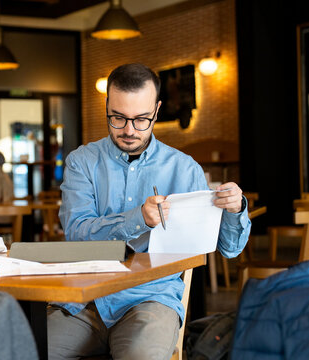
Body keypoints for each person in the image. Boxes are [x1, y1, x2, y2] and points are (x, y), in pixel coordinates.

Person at [49, 63, 252, 360]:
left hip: (151, 299)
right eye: (118, 118)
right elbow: (77, 236)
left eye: (141, 119)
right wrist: (138, 219)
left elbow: (230, 250)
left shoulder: (184, 169)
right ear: (107, 106)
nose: (129, 130)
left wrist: (236, 209)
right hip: (85, 300)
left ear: (156, 111)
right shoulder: (82, 162)